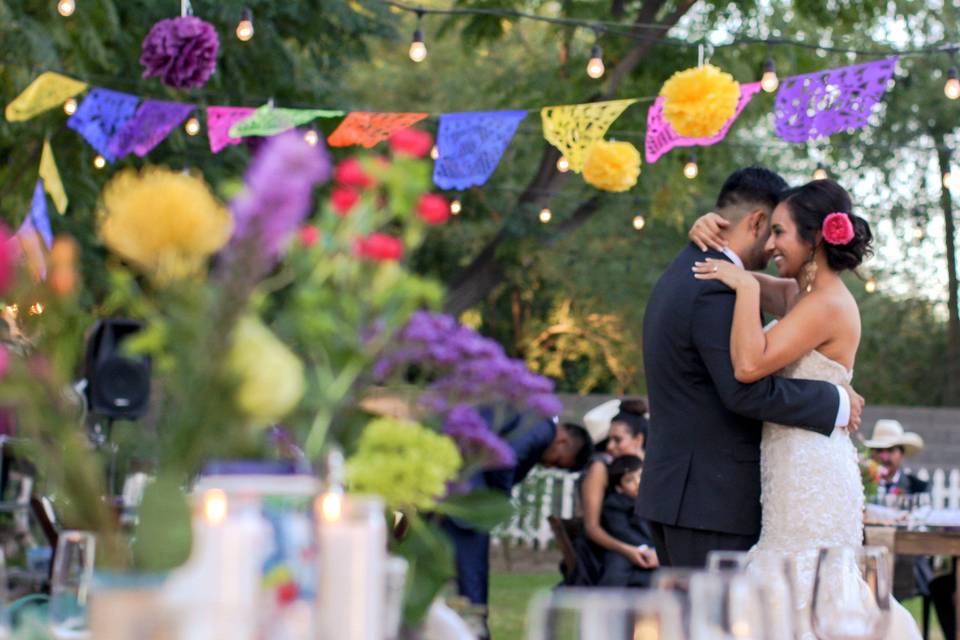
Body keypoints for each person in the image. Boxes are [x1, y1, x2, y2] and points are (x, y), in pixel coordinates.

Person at [686, 177, 920, 638]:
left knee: (806, 583)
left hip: (812, 470)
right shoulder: (802, 296)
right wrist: (706, 235)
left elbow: (750, 364)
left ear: (814, 239)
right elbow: (734, 270)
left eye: (779, 232)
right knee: (789, 584)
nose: (770, 244)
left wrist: (748, 292)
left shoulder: (827, 304)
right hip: (792, 463)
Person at [639, 167, 864, 572]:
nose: (774, 244)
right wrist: (835, 402)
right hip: (709, 499)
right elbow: (744, 382)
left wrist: (737, 273)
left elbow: (746, 373)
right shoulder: (718, 285)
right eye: (772, 231)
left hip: (717, 490)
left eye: (783, 233)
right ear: (757, 221)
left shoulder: (693, 274)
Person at [443, 412, 592, 639]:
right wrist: (500, 500)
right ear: (564, 442)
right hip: (469, 501)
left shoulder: (530, 421)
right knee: (471, 575)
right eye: (557, 462)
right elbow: (506, 458)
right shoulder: (543, 428)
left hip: (451, 491)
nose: (548, 465)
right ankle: (476, 632)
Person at [569, 402, 656, 585]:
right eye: (609, 439)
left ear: (638, 440)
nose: (609, 446)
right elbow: (592, 528)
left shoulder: (654, 469)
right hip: (611, 552)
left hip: (649, 548)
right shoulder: (601, 468)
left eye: (617, 439)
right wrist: (631, 551)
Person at [598, 455, 656, 587]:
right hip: (627, 550)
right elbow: (622, 532)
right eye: (629, 480)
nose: (638, 482)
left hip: (652, 552)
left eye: (640, 476)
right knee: (616, 568)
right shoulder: (615, 504)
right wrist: (646, 549)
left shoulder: (652, 502)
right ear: (619, 487)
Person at [863, 418, 928, 495]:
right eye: (879, 450)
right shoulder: (861, 485)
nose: (885, 457)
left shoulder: (918, 488)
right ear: (872, 454)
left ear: (902, 454)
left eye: (890, 450)